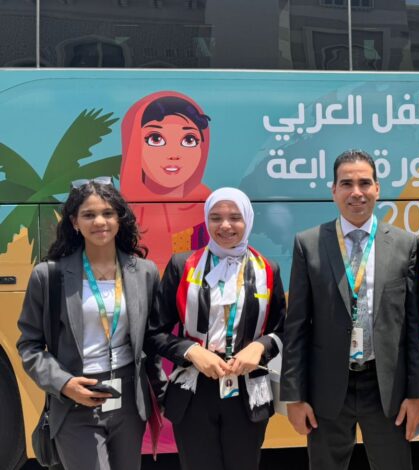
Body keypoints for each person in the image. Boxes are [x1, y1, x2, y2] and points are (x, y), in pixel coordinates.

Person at [281, 149, 419, 470]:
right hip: (327, 388)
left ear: (377, 189)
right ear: (334, 190)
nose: (356, 192)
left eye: (364, 183)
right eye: (347, 184)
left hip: (386, 388)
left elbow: (414, 325)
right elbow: (297, 326)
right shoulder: (309, 243)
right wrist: (295, 396)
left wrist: (417, 394)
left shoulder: (405, 244)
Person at [17, 178, 161, 470]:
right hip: (75, 400)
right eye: (89, 215)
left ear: (119, 219)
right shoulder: (49, 275)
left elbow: (152, 339)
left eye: (108, 213)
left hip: (128, 401)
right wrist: (64, 383)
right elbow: (29, 346)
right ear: (74, 222)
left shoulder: (144, 272)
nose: (100, 222)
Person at [145, 187, 285, 470]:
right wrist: (191, 351)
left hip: (247, 391)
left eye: (235, 217)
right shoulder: (183, 265)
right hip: (194, 392)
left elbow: (284, 331)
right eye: (216, 217)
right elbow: (154, 333)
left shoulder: (268, 269)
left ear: (248, 220)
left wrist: (259, 348)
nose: (225, 226)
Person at [119, 91, 212, 267]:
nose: (174, 154)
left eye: (189, 140)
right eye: (155, 139)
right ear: (133, 143)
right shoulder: (118, 211)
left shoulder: (208, 207)